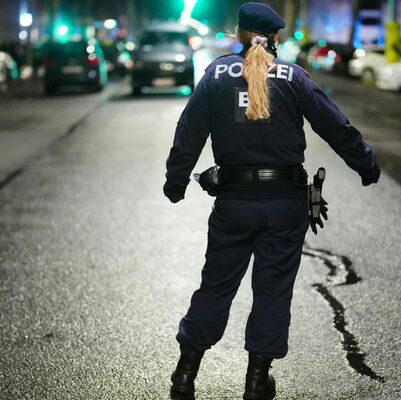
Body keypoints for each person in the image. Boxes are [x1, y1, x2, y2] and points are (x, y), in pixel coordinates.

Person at [163, 3, 380, 399]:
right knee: (273, 291)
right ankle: (256, 381)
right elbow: (335, 125)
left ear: (239, 34)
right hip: (284, 204)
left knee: (215, 287)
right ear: (276, 37)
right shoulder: (294, 77)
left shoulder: (216, 75)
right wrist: (365, 164)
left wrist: (176, 181)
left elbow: (188, 131)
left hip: (233, 203)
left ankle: (184, 375)